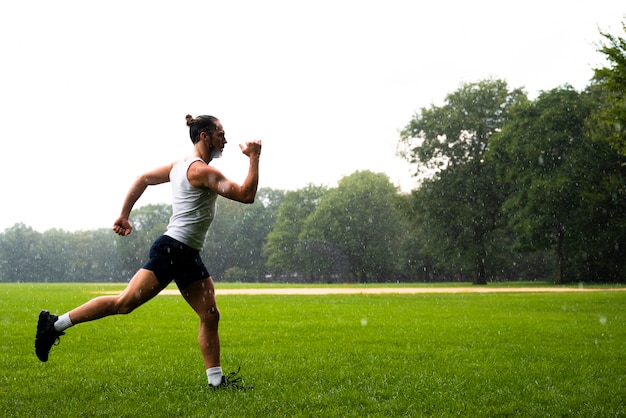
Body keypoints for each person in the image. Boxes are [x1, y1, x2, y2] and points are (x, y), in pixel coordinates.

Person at [35, 114, 261, 389]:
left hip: (187, 253)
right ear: (205, 136)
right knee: (124, 304)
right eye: (221, 134)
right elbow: (246, 195)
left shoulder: (179, 166)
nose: (225, 140)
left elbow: (143, 178)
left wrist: (124, 215)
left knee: (210, 314)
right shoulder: (200, 171)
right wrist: (254, 157)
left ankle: (216, 382)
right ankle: (53, 325)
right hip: (172, 250)